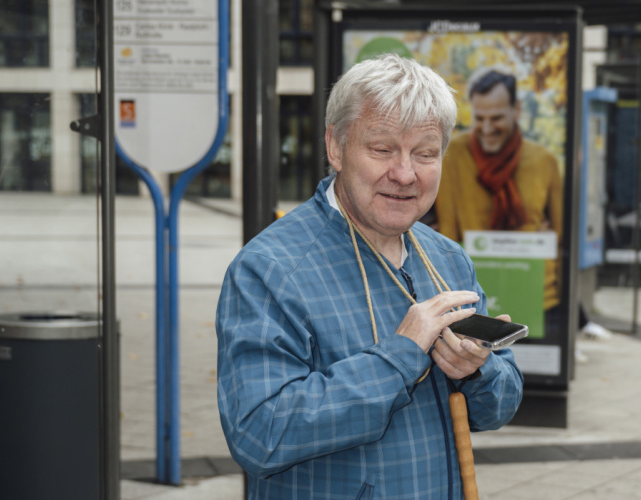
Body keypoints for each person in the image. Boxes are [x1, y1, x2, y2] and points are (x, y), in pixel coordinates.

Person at [215, 54, 524, 499]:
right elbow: (260, 435)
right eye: (382, 149)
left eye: (425, 153)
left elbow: (500, 407)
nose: (404, 174)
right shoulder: (271, 269)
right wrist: (399, 356)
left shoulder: (448, 258)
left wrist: (479, 372)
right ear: (335, 147)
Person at [433, 66, 564, 311]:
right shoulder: (453, 156)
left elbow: (559, 235)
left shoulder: (544, 161)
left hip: (536, 293)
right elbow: (446, 232)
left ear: (516, 110)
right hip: (470, 294)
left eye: (496, 118)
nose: (486, 128)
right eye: (479, 118)